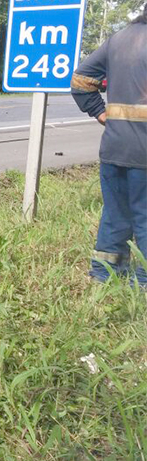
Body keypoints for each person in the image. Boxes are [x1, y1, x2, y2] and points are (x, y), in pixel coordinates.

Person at [71, 4, 147, 288]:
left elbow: (80, 80)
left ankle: (104, 272)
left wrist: (101, 113)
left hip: (115, 147)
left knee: (116, 214)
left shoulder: (119, 39)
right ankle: (143, 282)